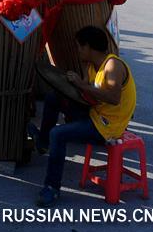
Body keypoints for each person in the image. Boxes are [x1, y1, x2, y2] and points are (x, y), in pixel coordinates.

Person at [32, 26, 136, 207]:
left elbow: (113, 98)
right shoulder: (91, 67)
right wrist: (68, 87)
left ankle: (52, 188)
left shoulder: (112, 66)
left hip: (108, 127)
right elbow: (87, 96)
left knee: (58, 134)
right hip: (95, 114)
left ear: (89, 47)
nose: (78, 51)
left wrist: (80, 84)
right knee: (53, 98)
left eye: (80, 47)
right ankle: (43, 143)